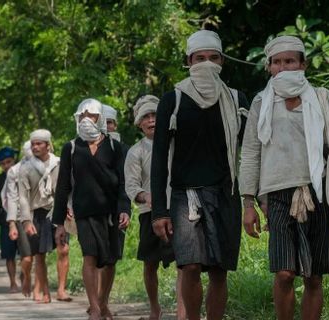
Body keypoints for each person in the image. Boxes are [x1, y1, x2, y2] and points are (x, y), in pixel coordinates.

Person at [239, 36, 329, 320]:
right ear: (269, 67)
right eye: (277, 62)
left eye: (290, 61)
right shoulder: (261, 102)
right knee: (284, 273)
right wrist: (248, 202)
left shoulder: (321, 97)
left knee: (314, 276)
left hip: (319, 192)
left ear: (303, 64)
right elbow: (251, 153)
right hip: (277, 196)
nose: (284, 67)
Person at [150, 30, 249, 320]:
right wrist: (159, 210)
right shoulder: (173, 99)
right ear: (189, 61)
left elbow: (253, 151)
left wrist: (255, 199)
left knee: (219, 271)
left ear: (222, 61)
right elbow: (158, 158)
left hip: (225, 194)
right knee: (190, 266)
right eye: (200, 58)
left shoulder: (235, 99)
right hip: (185, 197)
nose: (207, 63)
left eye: (213, 58)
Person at [53, 98, 130, 320]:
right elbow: (63, 185)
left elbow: (124, 182)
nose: (87, 119)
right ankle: (94, 307)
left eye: (92, 115)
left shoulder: (115, 147)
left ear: (101, 118)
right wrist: (59, 223)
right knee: (90, 256)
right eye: (83, 115)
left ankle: (104, 302)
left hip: (112, 212)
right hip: (84, 212)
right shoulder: (72, 147)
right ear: (77, 118)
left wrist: (125, 208)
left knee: (111, 259)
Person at [124, 95, 186, 320]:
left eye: (155, 116)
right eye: (146, 117)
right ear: (139, 123)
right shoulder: (136, 151)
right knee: (150, 264)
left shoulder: (176, 144)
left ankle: (182, 312)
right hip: (149, 214)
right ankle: (154, 308)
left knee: (184, 263)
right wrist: (146, 196)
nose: (151, 120)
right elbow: (131, 186)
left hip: (179, 209)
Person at [19, 129, 60, 304]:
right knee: (40, 255)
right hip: (37, 214)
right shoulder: (26, 168)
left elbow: (65, 189)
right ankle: (46, 293)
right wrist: (27, 221)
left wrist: (68, 210)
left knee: (63, 250)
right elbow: (22, 196)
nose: (35, 147)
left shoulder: (58, 163)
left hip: (56, 212)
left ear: (48, 145)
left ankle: (61, 289)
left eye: (39, 143)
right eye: (33, 143)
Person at [4, 141, 39, 298]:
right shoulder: (14, 171)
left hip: (41, 214)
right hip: (21, 217)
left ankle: (39, 288)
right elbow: (9, 198)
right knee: (27, 256)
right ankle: (26, 276)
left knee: (40, 254)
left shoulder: (48, 165)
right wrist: (12, 223)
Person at [0, 146, 19, 293]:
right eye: (3, 163)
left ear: (14, 160)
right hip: (6, 222)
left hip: (24, 220)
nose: (7, 166)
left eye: (9, 162)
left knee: (27, 255)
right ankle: (13, 282)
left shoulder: (24, 175)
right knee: (9, 255)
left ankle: (25, 277)